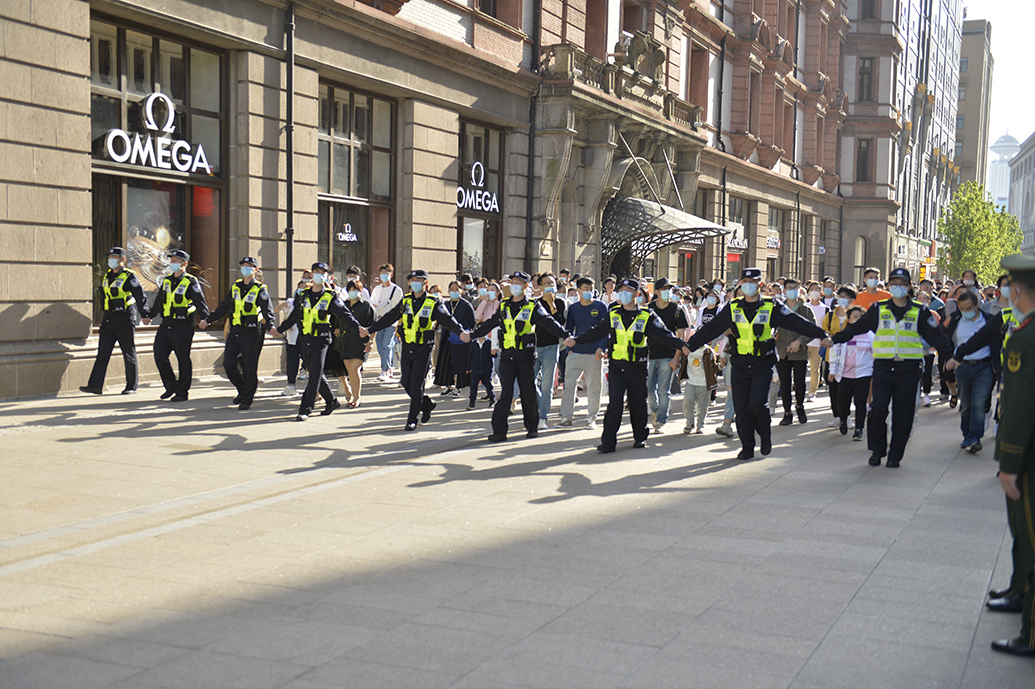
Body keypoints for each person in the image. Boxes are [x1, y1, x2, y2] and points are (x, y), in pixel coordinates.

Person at [683, 268, 830, 460]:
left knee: (757, 404)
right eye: (744, 281)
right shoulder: (733, 306)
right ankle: (747, 446)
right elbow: (713, 327)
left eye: (751, 282)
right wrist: (689, 345)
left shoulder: (771, 306)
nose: (747, 285)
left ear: (760, 285)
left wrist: (821, 335)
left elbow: (795, 322)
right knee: (742, 407)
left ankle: (765, 434)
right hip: (740, 363)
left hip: (762, 363)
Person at [831, 268, 954, 467]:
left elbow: (936, 336)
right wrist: (834, 339)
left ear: (908, 287)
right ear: (888, 286)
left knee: (903, 414)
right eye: (894, 283)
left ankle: (895, 454)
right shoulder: (878, 309)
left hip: (908, 369)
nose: (898, 287)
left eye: (902, 284)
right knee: (878, 410)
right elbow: (856, 328)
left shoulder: (919, 311)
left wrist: (948, 357)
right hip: (883, 367)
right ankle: (877, 450)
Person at [566, 279, 690, 452]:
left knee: (637, 403)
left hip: (637, 367)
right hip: (617, 367)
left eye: (628, 290)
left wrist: (682, 345)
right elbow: (596, 332)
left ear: (637, 294)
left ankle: (640, 437)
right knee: (614, 404)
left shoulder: (647, 315)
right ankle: (608, 442)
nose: (623, 293)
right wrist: (576, 340)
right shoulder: (613, 314)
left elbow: (664, 335)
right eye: (621, 290)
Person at [987, 254, 1035, 656]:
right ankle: (1020, 591)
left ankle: (1031, 633)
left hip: (1030, 455)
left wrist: (1009, 463)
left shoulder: (1025, 337)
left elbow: (1020, 407)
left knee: (1030, 535)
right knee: (1023, 533)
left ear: (1016, 291)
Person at [470, 271, 571, 442]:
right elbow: (490, 323)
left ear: (525, 286)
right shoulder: (504, 306)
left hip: (525, 355)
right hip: (507, 355)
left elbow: (548, 322)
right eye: (512, 282)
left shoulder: (532, 306)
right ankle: (499, 431)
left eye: (518, 282)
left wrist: (565, 335)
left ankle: (532, 427)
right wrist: (472, 334)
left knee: (528, 392)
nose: (514, 285)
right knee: (506, 394)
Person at [363, 270, 469, 431]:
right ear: (408, 283)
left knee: (417, 384)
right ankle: (426, 404)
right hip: (408, 346)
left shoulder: (433, 302)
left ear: (425, 283)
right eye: (412, 280)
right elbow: (389, 317)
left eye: (419, 280)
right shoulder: (405, 301)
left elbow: (447, 319)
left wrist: (460, 332)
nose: (415, 283)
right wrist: (370, 329)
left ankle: (412, 419)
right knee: (406, 382)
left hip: (423, 348)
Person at [271, 262, 362, 421]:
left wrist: (358, 328)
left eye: (322, 272)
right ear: (311, 274)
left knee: (314, 375)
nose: (319, 274)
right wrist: (279, 329)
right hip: (305, 339)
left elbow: (344, 314)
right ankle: (332, 401)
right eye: (316, 271)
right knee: (315, 373)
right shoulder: (303, 295)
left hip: (321, 340)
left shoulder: (330, 296)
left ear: (327, 276)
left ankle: (305, 408)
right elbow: (295, 316)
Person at [199, 257, 275, 410]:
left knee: (249, 367)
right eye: (243, 266)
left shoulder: (260, 289)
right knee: (228, 364)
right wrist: (208, 320)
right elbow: (224, 307)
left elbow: (268, 311)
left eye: (249, 266)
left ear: (255, 270)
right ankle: (244, 389)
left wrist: (271, 326)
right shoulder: (236, 287)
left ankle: (247, 398)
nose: (245, 268)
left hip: (252, 333)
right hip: (236, 331)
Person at [80, 247, 148, 395]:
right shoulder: (107, 276)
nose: (110, 259)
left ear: (122, 259)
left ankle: (131, 386)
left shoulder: (129, 276)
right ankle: (95, 385)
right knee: (102, 352)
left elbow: (140, 295)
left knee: (128, 352)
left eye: (114, 257)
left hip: (125, 318)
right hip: (108, 319)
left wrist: (144, 314)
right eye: (110, 256)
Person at [144, 249, 209, 402]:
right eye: (171, 260)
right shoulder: (166, 280)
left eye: (175, 261)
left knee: (182, 358)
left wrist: (205, 319)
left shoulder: (191, 282)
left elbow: (200, 302)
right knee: (160, 355)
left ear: (184, 264)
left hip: (183, 326)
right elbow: (160, 301)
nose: (172, 263)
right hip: (166, 324)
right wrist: (149, 316)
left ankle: (182, 392)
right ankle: (171, 386)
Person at [944, 290, 1002, 453]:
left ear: (977, 305)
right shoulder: (955, 320)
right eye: (962, 308)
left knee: (978, 402)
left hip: (983, 366)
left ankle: (975, 436)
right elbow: (948, 340)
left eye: (969, 308)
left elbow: (996, 342)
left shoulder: (989, 321)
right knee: (966, 403)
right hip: (962, 367)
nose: (965, 312)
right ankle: (967, 434)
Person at [558, 277, 608, 429]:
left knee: (594, 387)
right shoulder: (573, 308)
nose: (589, 292)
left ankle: (591, 418)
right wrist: (569, 349)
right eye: (585, 288)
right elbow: (569, 330)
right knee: (569, 386)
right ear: (578, 290)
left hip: (594, 354)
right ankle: (566, 417)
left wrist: (602, 347)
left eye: (591, 288)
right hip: (576, 353)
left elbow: (605, 330)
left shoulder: (600, 307)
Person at [645, 278, 689, 433]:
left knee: (663, 390)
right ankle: (655, 410)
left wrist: (676, 357)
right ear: (657, 292)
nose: (668, 292)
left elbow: (681, 336)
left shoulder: (677, 310)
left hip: (668, 355)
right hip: (650, 354)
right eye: (664, 289)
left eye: (669, 289)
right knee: (650, 388)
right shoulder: (648, 309)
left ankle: (660, 420)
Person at [774, 278, 816, 425]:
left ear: (799, 290)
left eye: (795, 288)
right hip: (783, 350)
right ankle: (787, 412)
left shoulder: (805, 309)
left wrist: (799, 341)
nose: (792, 290)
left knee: (799, 382)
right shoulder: (778, 309)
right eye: (789, 288)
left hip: (799, 352)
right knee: (784, 383)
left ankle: (799, 406)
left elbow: (812, 329)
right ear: (784, 291)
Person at [828, 306, 873, 440]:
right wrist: (832, 370)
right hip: (845, 374)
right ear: (848, 319)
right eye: (853, 317)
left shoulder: (871, 335)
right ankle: (843, 419)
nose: (856, 319)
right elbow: (834, 352)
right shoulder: (844, 334)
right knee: (842, 402)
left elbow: (876, 354)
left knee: (860, 402)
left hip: (863, 374)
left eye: (859, 317)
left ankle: (859, 429)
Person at [534, 273, 567, 430]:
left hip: (552, 348)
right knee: (528, 381)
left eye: (552, 283)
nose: (549, 285)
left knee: (547, 385)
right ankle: (540, 404)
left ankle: (542, 417)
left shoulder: (560, 303)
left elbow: (560, 324)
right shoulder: (535, 304)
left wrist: (552, 305)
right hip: (534, 348)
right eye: (546, 283)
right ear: (540, 286)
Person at [439, 280, 476, 397]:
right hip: (447, 336)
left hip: (461, 337)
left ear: (461, 290)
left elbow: (472, 322)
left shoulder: (466, 305)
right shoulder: (445, 304)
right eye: (451, 289)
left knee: (459, 363)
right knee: (446, 361)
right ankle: (448, 385)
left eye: (456, 289)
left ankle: (458, 386)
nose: (454, 292)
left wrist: (468, 334)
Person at [370, 264, 403, 383]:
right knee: (380, 346)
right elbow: (373, 305)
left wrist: (398, 325)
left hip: (391, 322)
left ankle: (386, 369)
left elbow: (399, 309)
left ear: (391, 274)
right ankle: (387, 367)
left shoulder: (396, 290)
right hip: (379, 321)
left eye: (386, 273)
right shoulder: (377, 289)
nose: (384, 275)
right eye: (382, 273)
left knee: (387, 345)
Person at [277, 279, 308, 397]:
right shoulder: (292, 302)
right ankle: (291, 386)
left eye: (304, 287)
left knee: (311, 363)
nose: (301, 289)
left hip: (308, 337)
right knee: (292, 362)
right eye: (300, 286)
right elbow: (290, 318)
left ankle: (318, 390)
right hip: (293, 338)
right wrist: (280, 329)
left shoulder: (310, 302)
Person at [682, 333, 718, 435]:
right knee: (687, 402)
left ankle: (700, 425)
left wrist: (720, 365)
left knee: (702, 406)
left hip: (704, 383)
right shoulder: (688, 349)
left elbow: (713, 366)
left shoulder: (708, 351)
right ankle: (689, 423)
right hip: (690, 381)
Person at [805, 284, 828, 400]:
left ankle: (812, 391)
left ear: (821, 292)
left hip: (817, 343)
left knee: (815, 369)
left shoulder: (825, 309)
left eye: (817, 290)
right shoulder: (804, 307)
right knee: (799, 369)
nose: (814, 292)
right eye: (812, 290)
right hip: (804, 342)